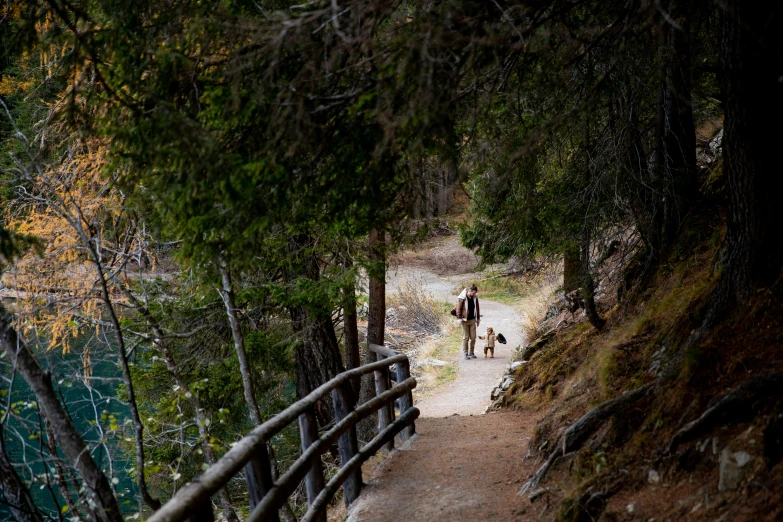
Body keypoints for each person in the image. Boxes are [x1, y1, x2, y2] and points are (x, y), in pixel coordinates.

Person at [455, 285, 480, 359]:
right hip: (465, 320)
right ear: (470, 291)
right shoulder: (462, 298)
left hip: (472, 320)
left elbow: (477, 308)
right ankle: (465, 353)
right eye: (473, 293)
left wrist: (478, 319)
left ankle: (471, 352)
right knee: (466, 337)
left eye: (475, 293)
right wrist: (459, 318)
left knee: (473, 337)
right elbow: (458, 308)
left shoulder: (475, 298)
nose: (474, 294)